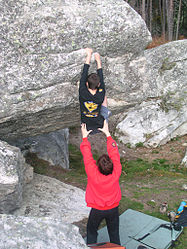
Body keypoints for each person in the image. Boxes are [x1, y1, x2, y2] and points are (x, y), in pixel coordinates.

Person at [80, 120, 122, 245]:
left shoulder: (93, 173)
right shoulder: (117, 171)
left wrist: (84, 137)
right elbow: (115, 153)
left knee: (92, 231)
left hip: (97, 209)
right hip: (113, 208)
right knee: (114, 233)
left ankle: (91, 247)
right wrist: (108, 134)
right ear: (112, 165)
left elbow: (87, 155)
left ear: (97, 165)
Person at [79, 48, 110, 134]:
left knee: (102, 96)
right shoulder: (101, 93)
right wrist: (98, 61)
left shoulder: (82, 92)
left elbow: (84, 73)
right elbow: (101, 78)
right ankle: (105, 112)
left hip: (87, 128)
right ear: (99, 84)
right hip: (100, 125)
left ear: (86, 84)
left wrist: (89, 54)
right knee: (104, 98)